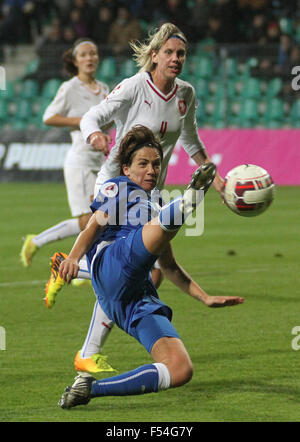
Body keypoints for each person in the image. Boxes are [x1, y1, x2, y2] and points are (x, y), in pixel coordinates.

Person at [46, 23, 225, 377]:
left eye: (181, 54)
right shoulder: (133, 86)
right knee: (143, 267)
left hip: (149, 190)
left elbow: (190, 140)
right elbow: (93, 116)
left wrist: (217, 179)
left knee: (151, 272)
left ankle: (70, 273)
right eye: (169, 53)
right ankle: (86, 339)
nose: (176, 59)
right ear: (154, 55)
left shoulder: (186, 94)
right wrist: (95, 134)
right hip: (117, 182)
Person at [57, 125, 244, 409]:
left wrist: (204, 297)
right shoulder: (120, 186)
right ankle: (190, 199)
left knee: (180, 369)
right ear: (126, 168)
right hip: (111, 262)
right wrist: (73, 257)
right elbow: (96, 223)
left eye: (156, 164)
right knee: (154, 232)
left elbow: (168, 265)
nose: (151, 170)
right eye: (143, 164)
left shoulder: (155, 204)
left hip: (132, 295)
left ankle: (89, 390)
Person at [20, 38, 111, 273]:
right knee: (87, 220)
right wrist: (83, 121)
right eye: (84, 55)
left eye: (93, 53)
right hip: (79, 162)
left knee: (100, 218)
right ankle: (39, 243)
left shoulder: (104, 89)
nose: (89, 58)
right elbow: (49, 116)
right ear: (75, 61)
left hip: (99, 162)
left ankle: (83, 265)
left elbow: (109, 118)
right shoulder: (70, 88)